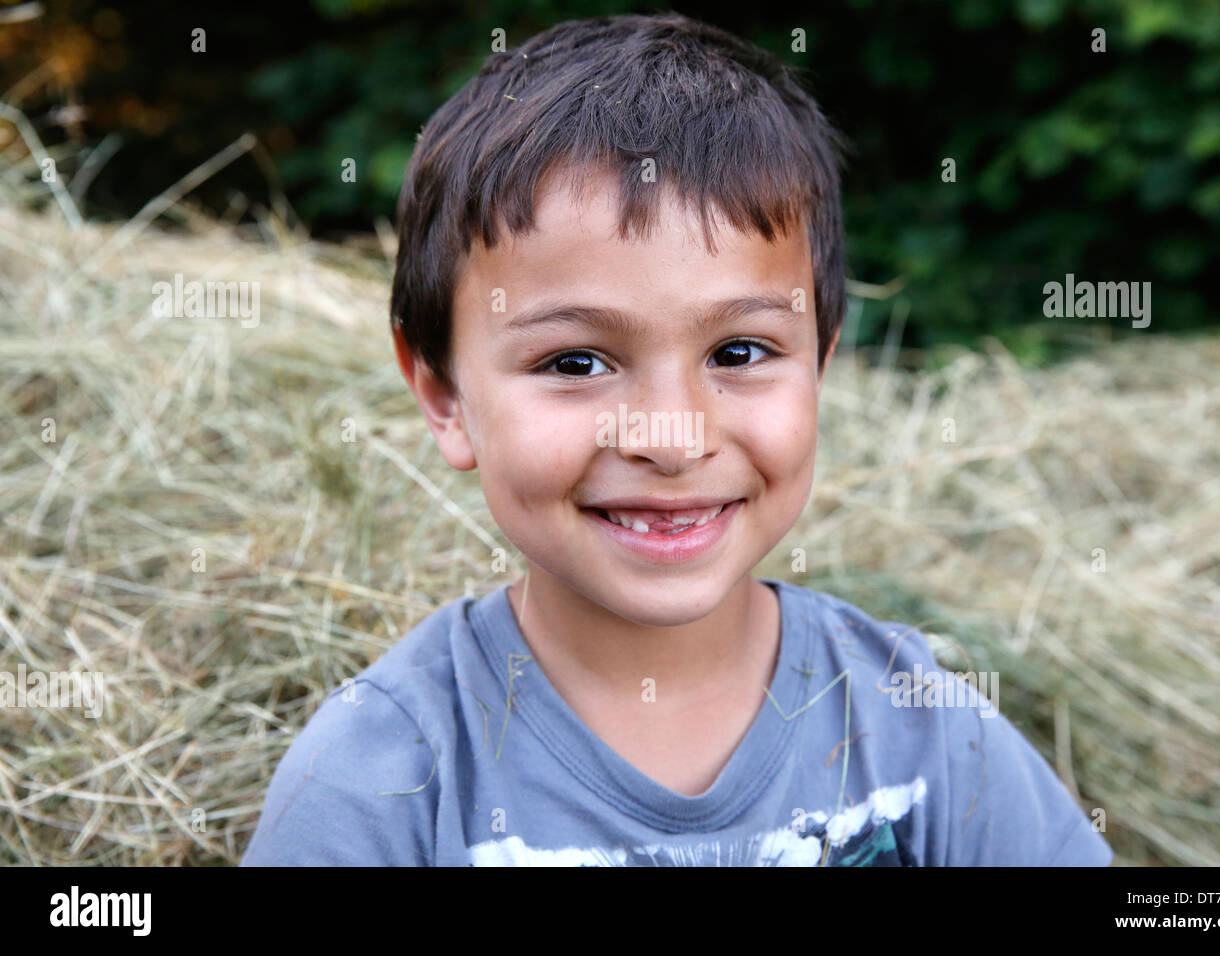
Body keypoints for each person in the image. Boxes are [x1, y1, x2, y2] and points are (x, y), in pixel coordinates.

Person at [242, 12, 1113, 866]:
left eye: (739, 352)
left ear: (820, 365)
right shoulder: (381, 781)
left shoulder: (918, 726)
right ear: (444, 396)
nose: (671, 437)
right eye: (576, 362)